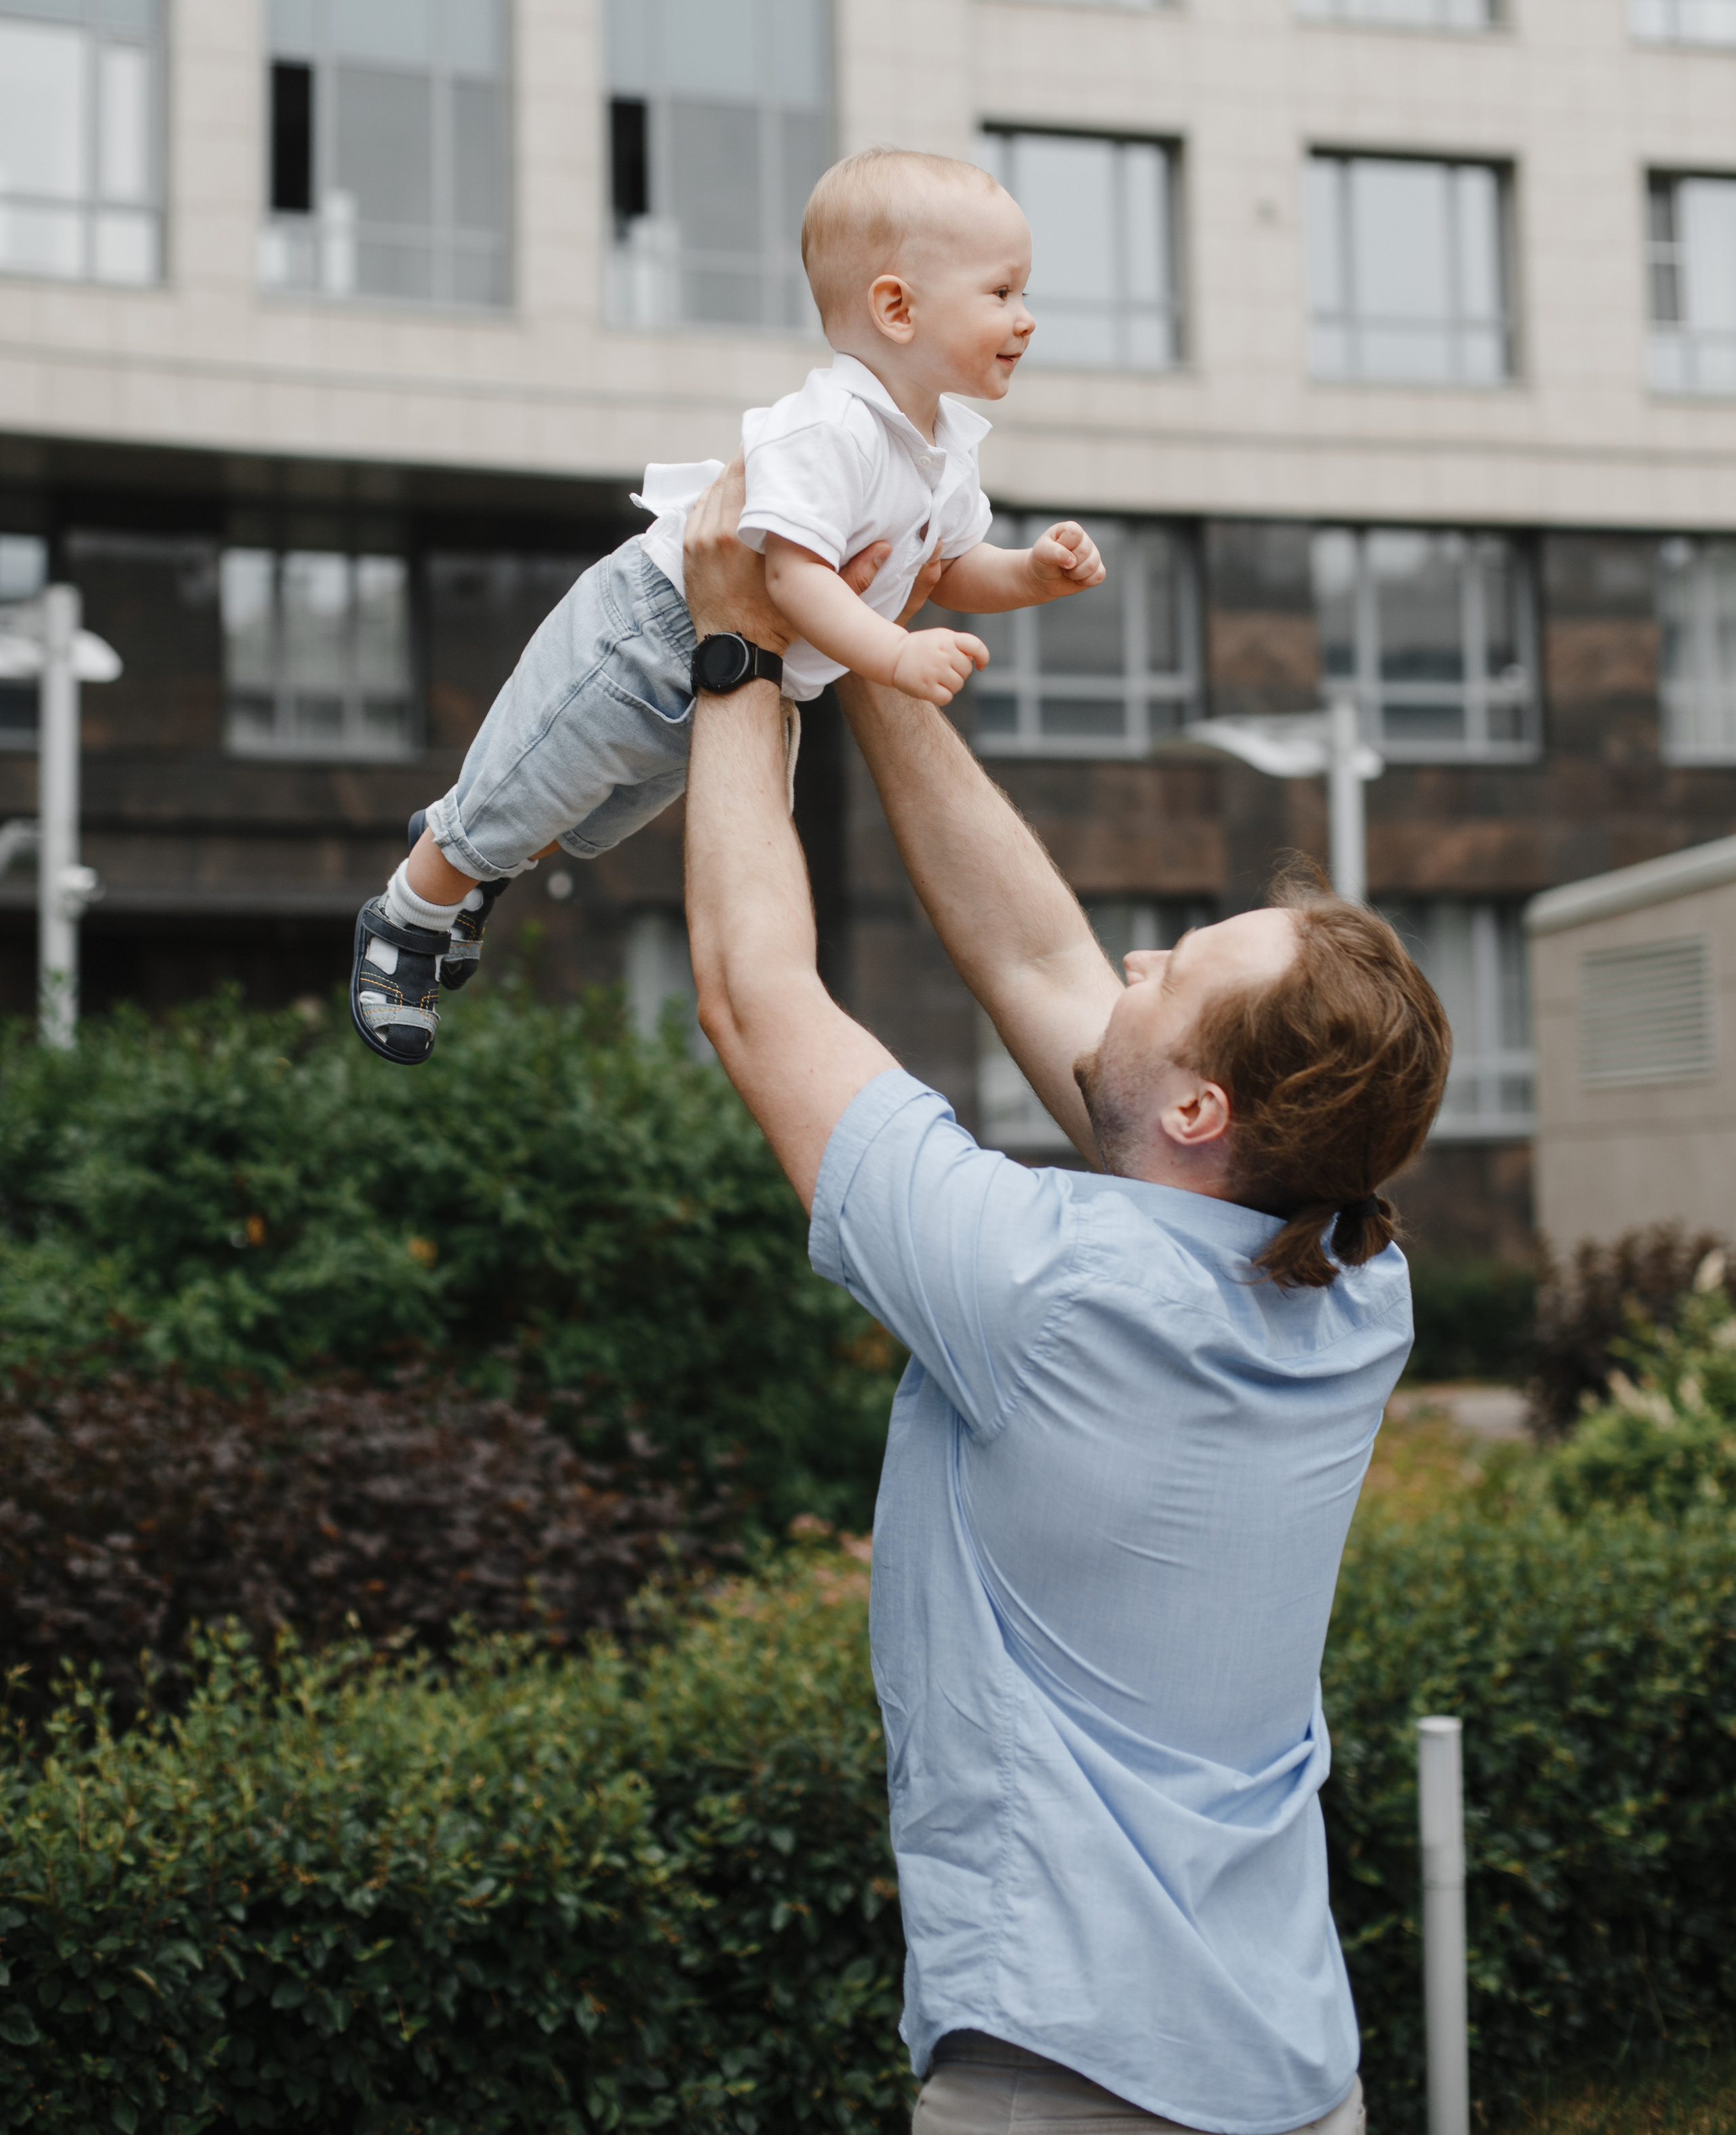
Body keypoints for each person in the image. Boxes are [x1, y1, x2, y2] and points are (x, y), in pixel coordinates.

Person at [676, 464, 1453, 2135]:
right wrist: (877, 655)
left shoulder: (1045, 1289)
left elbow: (755, 999)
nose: (1134, 961)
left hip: (1069, 2086)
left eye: (1178, 964)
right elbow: (1039, 966)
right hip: (1294, 2076)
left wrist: (741, 653)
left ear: (1199, 1119)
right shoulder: (1354, 1280)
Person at [347, 146, 1104, 1065]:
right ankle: (409, 919)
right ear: (897, 307)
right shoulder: (832, 429)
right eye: (1003, 294)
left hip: (750, 671)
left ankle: (470, 862)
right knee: (523, 788)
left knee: (577, 817)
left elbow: (951, 566)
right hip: (653, 631)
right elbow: (790, 578)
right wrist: (894, 657)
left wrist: (1031, 572)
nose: (1026, 320)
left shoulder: (943, 446)